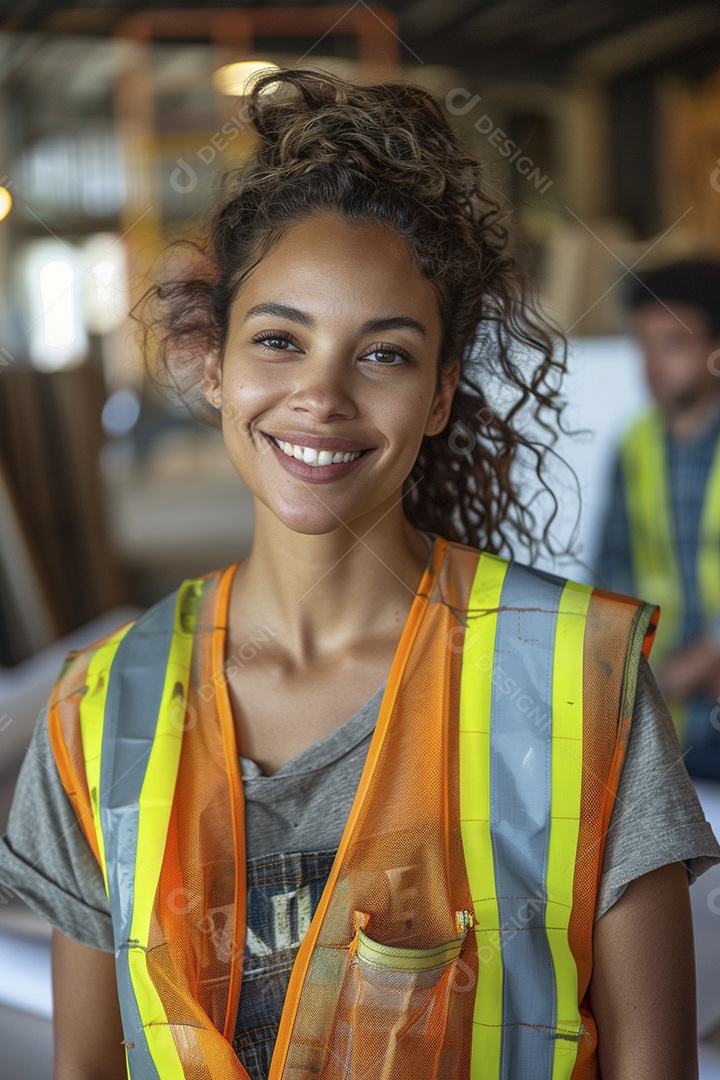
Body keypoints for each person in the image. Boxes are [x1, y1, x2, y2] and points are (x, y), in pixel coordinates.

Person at [0, 69, 718, 1080]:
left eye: (382, 354)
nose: (321, 395)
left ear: (438, 395)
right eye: (280, 341)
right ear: (216, 367)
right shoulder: (93, 715)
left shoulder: (576, 684)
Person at [596, 259, 720, 781]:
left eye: (673, 343)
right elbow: (612, 579)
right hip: (669, 718)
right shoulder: (635, 446)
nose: (652, 363)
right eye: (643, 344)